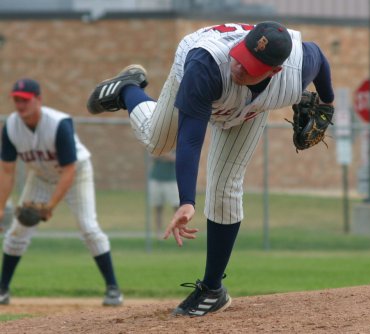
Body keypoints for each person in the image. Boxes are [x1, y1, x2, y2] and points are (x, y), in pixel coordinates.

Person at [87, 21, 334, 316]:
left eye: (251, 65)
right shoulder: (207, 64)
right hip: (196, 78)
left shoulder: (295, 71)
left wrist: (327, 102)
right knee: (158, 142)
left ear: (275, 70)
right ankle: (127, 90)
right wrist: (186, 201)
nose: (240, 67)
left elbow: (318, 57)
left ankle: (213, 289)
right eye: (241, 56)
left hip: (249, 110)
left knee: (226, 188)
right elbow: (190, 139)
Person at [0, 78, 123, 306]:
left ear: (38, 99)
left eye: (25, 100)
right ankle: (2, 289)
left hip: (76, 174)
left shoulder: (58, 123)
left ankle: (113, 288)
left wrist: (49, 208)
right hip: (41, 176)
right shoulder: (10, 127)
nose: (20, 105)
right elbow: (7, 172)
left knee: (88, 227)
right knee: (17, 232)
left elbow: (69, 170)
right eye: (16, 100)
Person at [148, 151, 179, 238]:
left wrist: (161, 155)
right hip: (156, 179)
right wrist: (166, 156)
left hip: (172, 180)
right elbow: (151, 156)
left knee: (177, 208)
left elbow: (176, 158)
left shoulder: (177, 143)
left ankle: (179, 233)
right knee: (158, 207)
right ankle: (159, 233)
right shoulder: (157, 142)